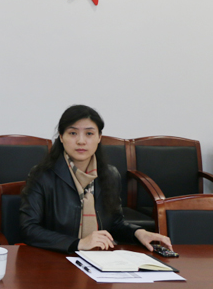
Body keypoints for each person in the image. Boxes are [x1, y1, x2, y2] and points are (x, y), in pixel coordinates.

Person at [20, 104, 173, 253]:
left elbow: (115, 224)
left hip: (99, 258)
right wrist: (79, 243)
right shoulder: (42, 175)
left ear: (99, 137)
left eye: (89, 134)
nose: (81, 141)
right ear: (61, 137)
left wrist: (138, 233)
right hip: (56, 258)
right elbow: (29, 229)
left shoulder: (110, 175)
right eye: (73, 133)